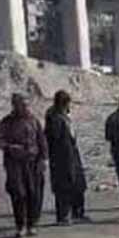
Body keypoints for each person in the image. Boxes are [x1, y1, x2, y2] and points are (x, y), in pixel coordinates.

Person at [0, 93, 47, 238]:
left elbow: (42, 141)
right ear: (15, 106)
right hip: (14, 163)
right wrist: (10, 147)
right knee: (18, 193)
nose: (26, 107)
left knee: (34, 193)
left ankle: (32, 224)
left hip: (33, 162)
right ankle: (20, 225)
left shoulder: (34, 120)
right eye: (22, 105)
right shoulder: (7, 122)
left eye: (27, 104)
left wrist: (43, 159)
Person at [44, 90, 89, 225]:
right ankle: (63, 216)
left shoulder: (63, 117)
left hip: (71, 155)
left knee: (78, 184)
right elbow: (55, 139)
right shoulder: (55, 118)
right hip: (61, 158)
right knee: (63, 186)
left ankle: (77, 213)